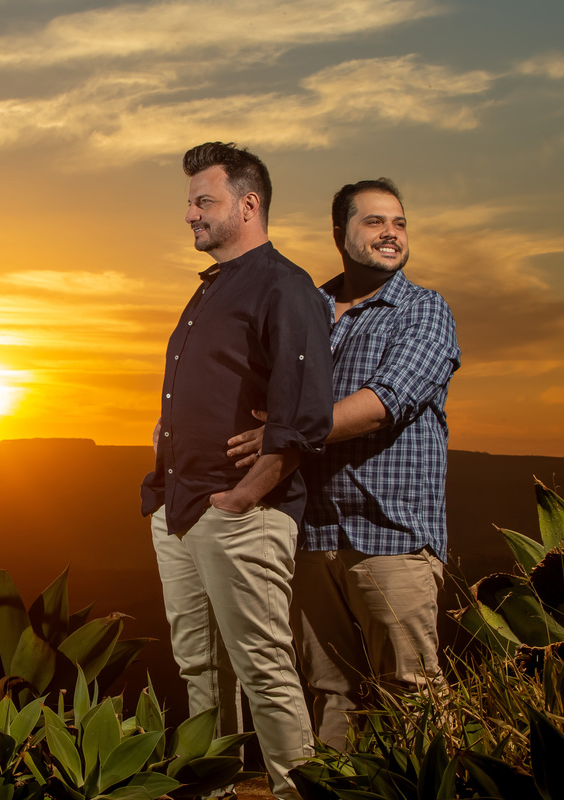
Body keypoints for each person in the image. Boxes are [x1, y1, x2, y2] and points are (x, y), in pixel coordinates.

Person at [227, 178, 460, 751]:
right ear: (339, 234)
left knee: (413, 689)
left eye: (399, 223)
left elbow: (385, 402)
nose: (391, 234)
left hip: (390, 534)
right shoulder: (310, 308)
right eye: (374, 222)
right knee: (331, 690)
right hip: (309, 532)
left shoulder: (424, 310)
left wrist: (285, 434)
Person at [141, 141, 333, 799]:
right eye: (190, 202)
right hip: (178, 507)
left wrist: (247, 494)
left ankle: (294, 794)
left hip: (239, 513)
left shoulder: (285, 285)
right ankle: (212, 789)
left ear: (248, 205)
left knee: (264, 668)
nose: (191, 214)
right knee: (199, 667)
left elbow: (304, 414)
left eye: (205, 201)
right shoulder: (213, 290)